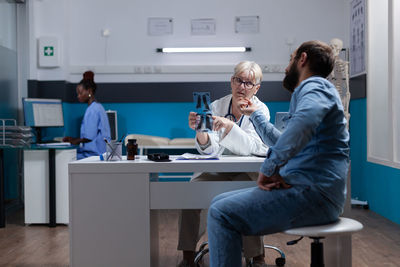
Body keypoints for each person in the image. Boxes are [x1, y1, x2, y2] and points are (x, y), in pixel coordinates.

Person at [206, 40, 350, 267]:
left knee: (221, 214)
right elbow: (285, 140)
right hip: (314, 192)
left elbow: (301, 125)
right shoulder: (317, 91)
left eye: (290, 59)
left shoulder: (313, 86)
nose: (286, 67)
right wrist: (256, 116)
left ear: (302, 59)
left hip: (313, 195)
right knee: (219, 202)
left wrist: (269, 168)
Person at [178, 61, 270, 267]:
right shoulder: (217, 106)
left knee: (252, 194)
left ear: (256, 88)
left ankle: (257, 257)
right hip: (216, 170)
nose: (242, 86)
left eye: (248, 83)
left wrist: (229, 126)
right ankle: (187, 256)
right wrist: (201, 133)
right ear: (231, 81)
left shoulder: (260, 110)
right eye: (239, 80)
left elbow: (253, 147)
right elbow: (210, 150)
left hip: (246, 172)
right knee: (190, 191)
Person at [63, 71, 111, 159]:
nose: (78, 96)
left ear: (89, 91)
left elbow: (89, 137)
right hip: (100, 153)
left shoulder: (93, 110)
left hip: (94, 155)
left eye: (80, 93)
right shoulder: (98, 106)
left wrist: (73, 140)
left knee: (65, 158)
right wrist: (73, 139)